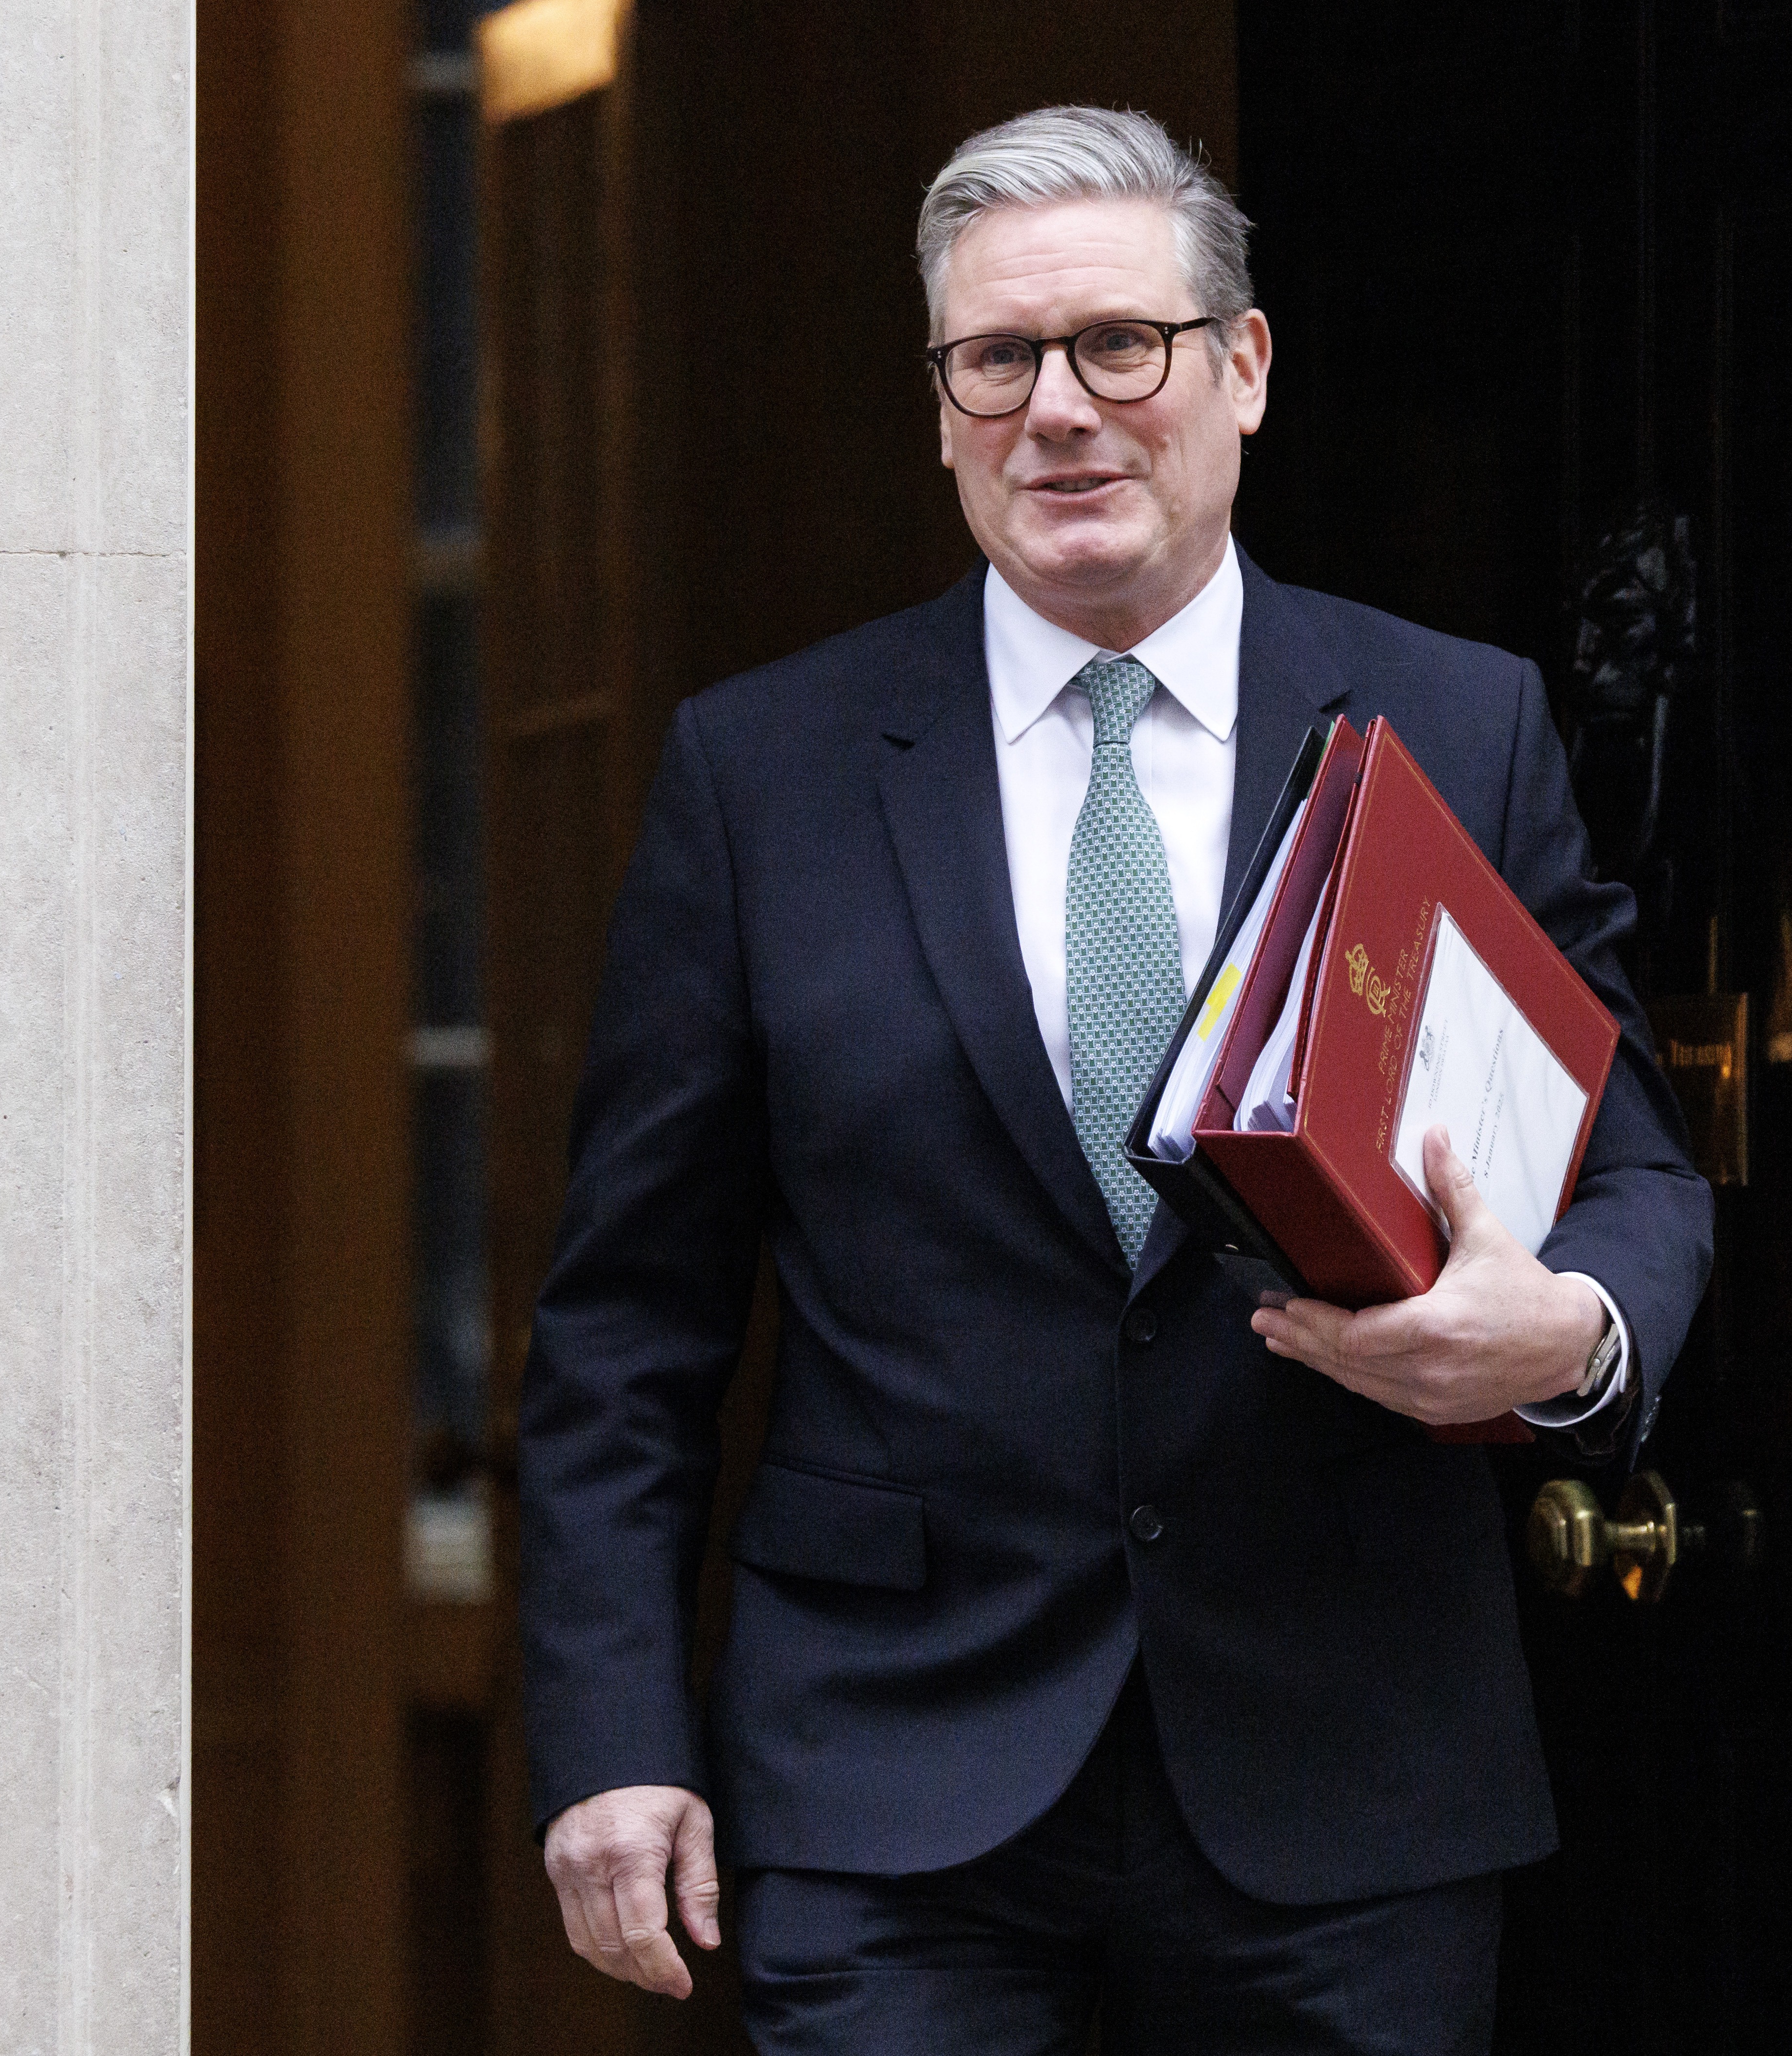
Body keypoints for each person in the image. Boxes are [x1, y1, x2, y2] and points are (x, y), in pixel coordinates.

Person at [515, 104, 1714, 2053]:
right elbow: (626, 1327)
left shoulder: (1457, 723)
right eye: (998, 360)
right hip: (891, 1795)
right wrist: (610, 1742)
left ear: (1241, 369)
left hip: (1348, 1777)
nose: (1058, 409)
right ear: (941, 406)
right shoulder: (765, 775)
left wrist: (1564, 1336)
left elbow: (1635, 1172)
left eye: (1119, 347)